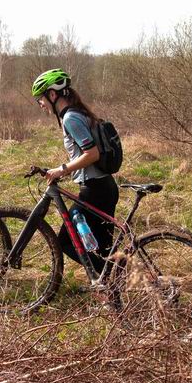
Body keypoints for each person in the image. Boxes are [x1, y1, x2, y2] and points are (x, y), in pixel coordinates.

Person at [32, 68, 119, 275]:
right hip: (105, 187)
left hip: (95, 191)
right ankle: (110, 291)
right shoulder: (78, 112)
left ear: (53, 95)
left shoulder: (71, 118)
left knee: (66, 241)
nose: (40, 104)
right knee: (101, 249)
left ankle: (114, 276)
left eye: (40, 99)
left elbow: (92, 154)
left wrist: (61, 170)